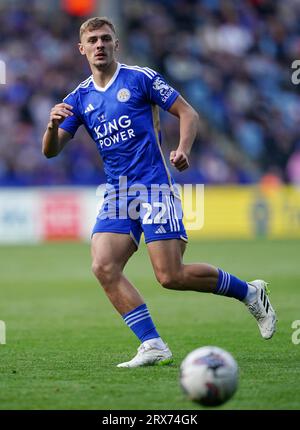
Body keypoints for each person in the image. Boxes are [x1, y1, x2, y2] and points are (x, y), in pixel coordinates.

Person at [42, 17, 277, 368]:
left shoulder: (141, 78)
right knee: (103, 266)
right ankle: (152, 344)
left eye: (106, 38)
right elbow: (50, 151)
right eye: (93, 40)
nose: (100, 45)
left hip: (154, 185)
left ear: (116, 44)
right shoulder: (77, 98)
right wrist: (52, 125)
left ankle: (250, 292)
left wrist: (183, 148)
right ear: (82, 49)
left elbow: (188, 113)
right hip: (118, 192)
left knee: (170, 276)